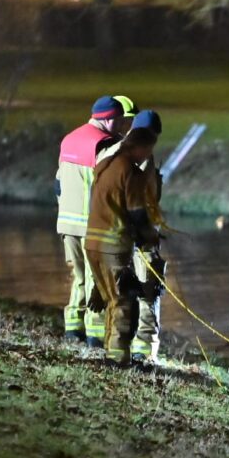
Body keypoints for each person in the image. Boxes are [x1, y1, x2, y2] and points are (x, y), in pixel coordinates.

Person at [55, 95, 137, 346]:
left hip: (67, 223)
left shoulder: (69, 139)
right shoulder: (105, 144)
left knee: (79, 278)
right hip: (93, 226)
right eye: (121, 121)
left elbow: (58, 182)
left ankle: (72, 329)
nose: (123, 126)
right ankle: (96, 335)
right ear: (110, 119)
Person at [84, 127, 160, 367]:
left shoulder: (105, 164)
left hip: (92, 242)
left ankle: (111, 352)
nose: (147, 155)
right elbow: (136, 211)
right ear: (141, 147)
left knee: (111, 300)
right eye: (148, 149)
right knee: (123, 301)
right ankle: (118, 360)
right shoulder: (130, 171)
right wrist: (148, 236)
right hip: (113, 243)